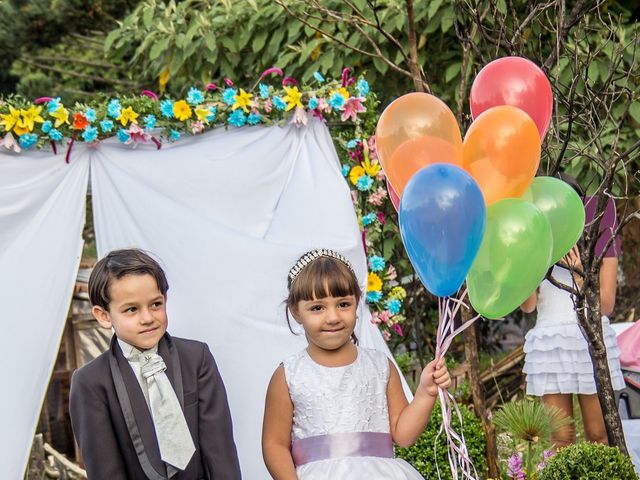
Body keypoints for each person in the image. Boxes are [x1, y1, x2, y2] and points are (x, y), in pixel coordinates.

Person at [262, 249, 451, 479]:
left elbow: (403, 435)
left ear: (357, 303)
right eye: (317, 308)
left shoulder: (380, 367)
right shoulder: (289, 375)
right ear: (296, 312)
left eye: (343, 304)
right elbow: (274, 444)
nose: (332, 317)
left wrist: (425, 393)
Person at [69, 249, 242, 480]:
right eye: (131, 309)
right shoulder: (90, 382)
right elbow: (105, 471)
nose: (148, 317)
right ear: (103, 315)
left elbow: (220, 453)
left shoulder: (197, 358)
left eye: (155, 304)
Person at [521, 177, 625, 448]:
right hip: (550, 344)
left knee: (599, 434)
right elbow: (528, 305)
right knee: (560, 439)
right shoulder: (538, 246)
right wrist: (525, 266)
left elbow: (607, 303)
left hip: (588, 340)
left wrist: (580, 274)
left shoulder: (599, 242)